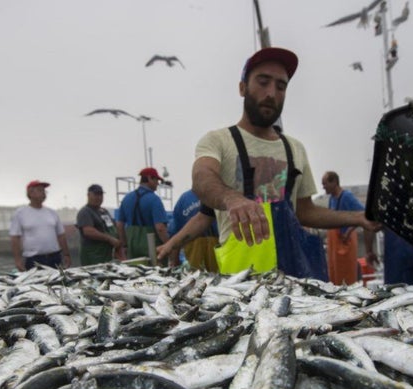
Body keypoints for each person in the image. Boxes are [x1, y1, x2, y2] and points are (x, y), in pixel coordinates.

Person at [191, 47, 379, 280]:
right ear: (242, 88)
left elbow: (305, 211)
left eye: (281, 87)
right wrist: (232, 198)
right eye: (263, 82)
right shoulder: (218, 141)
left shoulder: (295, 149)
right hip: (241, 285)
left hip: (295, 279)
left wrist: (358, 218)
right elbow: (202, 177)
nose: (271, 93)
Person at [322, 171, 377, 285]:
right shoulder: (331, 199)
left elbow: (363, 215)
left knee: (346, 277)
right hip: (334, 244)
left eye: (325, 184)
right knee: (334, 275)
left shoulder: (347, 196)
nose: (323, 187)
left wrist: (348, 231)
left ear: (335, 182)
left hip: (345, 242)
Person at [10, 180, 71, 271]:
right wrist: (18, 260)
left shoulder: (52, 213)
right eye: (40, 190)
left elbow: (61, 235)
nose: (44, 193)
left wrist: (66, 255)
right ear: (30, 193)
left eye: (44, 191)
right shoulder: (20, 213)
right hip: (33, 260)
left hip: (55, 257)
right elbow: (15, 238)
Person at [116, 167, 171, 264]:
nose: (158, 183)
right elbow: (160, 228)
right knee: (157, 274)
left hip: (132, 245)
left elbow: (119, 225)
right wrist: (169, 245)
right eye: (156, 180)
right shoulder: (154, 199)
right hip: (151, 246)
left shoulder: (127, 198)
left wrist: (125, 245)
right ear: (149, 178)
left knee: (136, 273)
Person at [159, 190, 220, 271]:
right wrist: (174, 261)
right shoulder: (217, 194)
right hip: (215, 255)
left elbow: (175, 231)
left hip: (211, 256)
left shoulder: (184, 199)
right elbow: (176, 231)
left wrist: (174, 261)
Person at [76, 184, 124, 266]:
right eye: (96, 194)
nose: (99, 197)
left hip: (108, 255)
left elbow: (113, 226)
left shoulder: (104, 211)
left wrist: (119, 243)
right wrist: (109, 239)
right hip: (93, 256)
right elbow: (88, 231)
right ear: (88, 195)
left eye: (100, 194)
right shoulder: (85, 212)